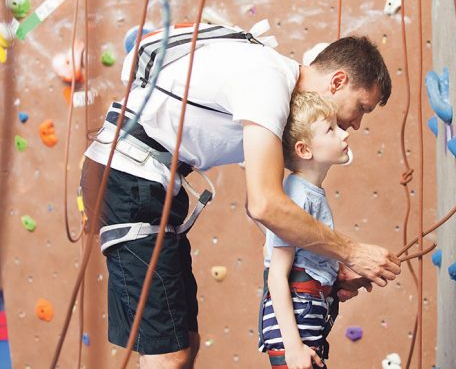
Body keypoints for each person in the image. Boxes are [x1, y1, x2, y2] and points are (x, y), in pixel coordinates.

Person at [79, 22, 401, 368]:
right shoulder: (267, 83)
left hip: (146, 180)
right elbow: (264, 206)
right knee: (168, 355)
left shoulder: (273, 91)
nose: (356, 124)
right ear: (338, 82)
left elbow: (276, 219)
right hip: (130, 177)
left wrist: (327, 264)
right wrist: (351, 252)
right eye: (362, 108)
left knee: (184, 345)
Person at [258, 92, 353, 369]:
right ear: (304, 150)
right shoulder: (297, 197)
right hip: (294, 322)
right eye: (331, 129)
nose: (343, 134)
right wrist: (293, 347)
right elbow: (277, 274)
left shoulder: (308, 193)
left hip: (307, 311)